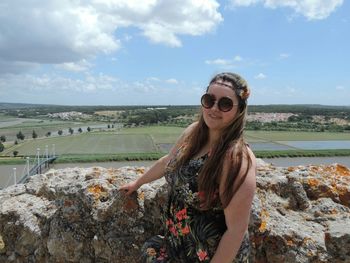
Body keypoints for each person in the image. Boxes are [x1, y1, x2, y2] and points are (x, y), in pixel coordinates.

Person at [120, 72, 256, 263]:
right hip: (178, 245)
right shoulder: (194, 132)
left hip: (210, 255)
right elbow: (168, 161)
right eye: (209, 100)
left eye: (224, 104)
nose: (214, 108)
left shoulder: (235, 158)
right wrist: (138, 182)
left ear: (239, 109)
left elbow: (236, 230)